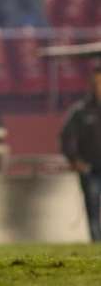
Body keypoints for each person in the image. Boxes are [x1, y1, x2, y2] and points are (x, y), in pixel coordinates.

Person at [60, 65, 101, 242]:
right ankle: (96, 244)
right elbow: (66, 137)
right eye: (98, 82)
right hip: (90, 168)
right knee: (92, 208)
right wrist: (75, 160)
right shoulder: (81, 110)